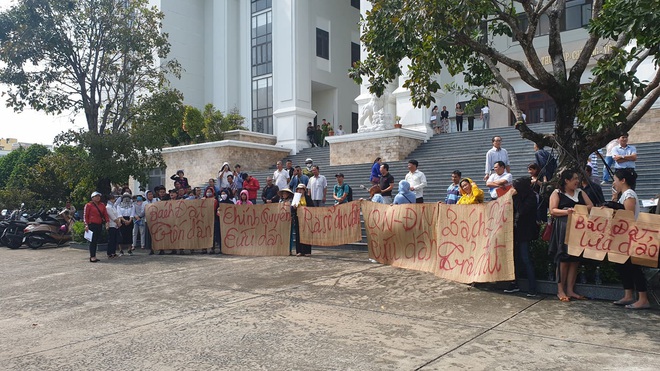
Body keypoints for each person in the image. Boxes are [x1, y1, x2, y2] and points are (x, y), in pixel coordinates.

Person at [548, 169, 594, 302]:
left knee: (575, 259)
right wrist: (567, 211)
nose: (577, 181)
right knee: (563, 259)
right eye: (574, 179)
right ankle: (560, 290)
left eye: (578, 179)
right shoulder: (557, 193)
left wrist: (580, 210)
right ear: (566, 180)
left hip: (579, 228)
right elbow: (553, 210)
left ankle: (570, 289)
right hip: (563, 227)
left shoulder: (580, 192)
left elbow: (590, 205)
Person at [610, 169, 649, 309]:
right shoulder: (623, 194)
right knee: (623, 266)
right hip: (623, 237)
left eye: (615, 179)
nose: (614, 182)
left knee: (633, 267)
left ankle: (643, 298)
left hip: (630, 236)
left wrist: (615, 205)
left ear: (623, 180)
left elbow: (628, 215)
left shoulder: (629, 194)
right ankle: (628, 295)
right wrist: (614, 200)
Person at [504, 177, 538, 296]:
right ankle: (514, 283)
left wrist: (515, 197)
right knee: (515, 259)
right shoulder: (519, 196)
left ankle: (532, 287)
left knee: (525, 258)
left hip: (525, 232)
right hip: (515, 231)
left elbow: (522, 210)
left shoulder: (531, 197)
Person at [83, 191, 110, 263]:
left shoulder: (102, 205)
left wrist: (107, 222)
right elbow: (85, 216)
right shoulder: (88, 205)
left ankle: (94, 255)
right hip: (92, 224)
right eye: (96, 196)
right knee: (92, 241)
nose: (98, 197)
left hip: (99, 224)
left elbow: (105, 214)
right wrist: (86, 224)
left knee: (96, 240)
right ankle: (92, 256)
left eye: (99, 196)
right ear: (92, 198)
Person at [292, 183, 315, 256]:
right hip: (298, 218)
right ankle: (299, 251)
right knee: (298, 234)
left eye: (301, 189)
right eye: (299, 189)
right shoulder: (295, 198)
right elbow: (292, 208)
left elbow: (312, 207)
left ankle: (307, 251)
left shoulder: (307, 198)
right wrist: (294, 208)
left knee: (307, 234)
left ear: (304, 190)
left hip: (306, 218)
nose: (300, 190)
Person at [105, 194, 120, 259]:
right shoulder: (108, 207)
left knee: (114, 240)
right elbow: (112, 216)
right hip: (111, 225)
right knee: (111, 240)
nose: (113, 200)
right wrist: (117, 222)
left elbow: (117, 214)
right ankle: (109, 253)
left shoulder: (113, 206)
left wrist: (118, 222)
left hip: (116, 225)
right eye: (112, 199)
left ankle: (113, 252)